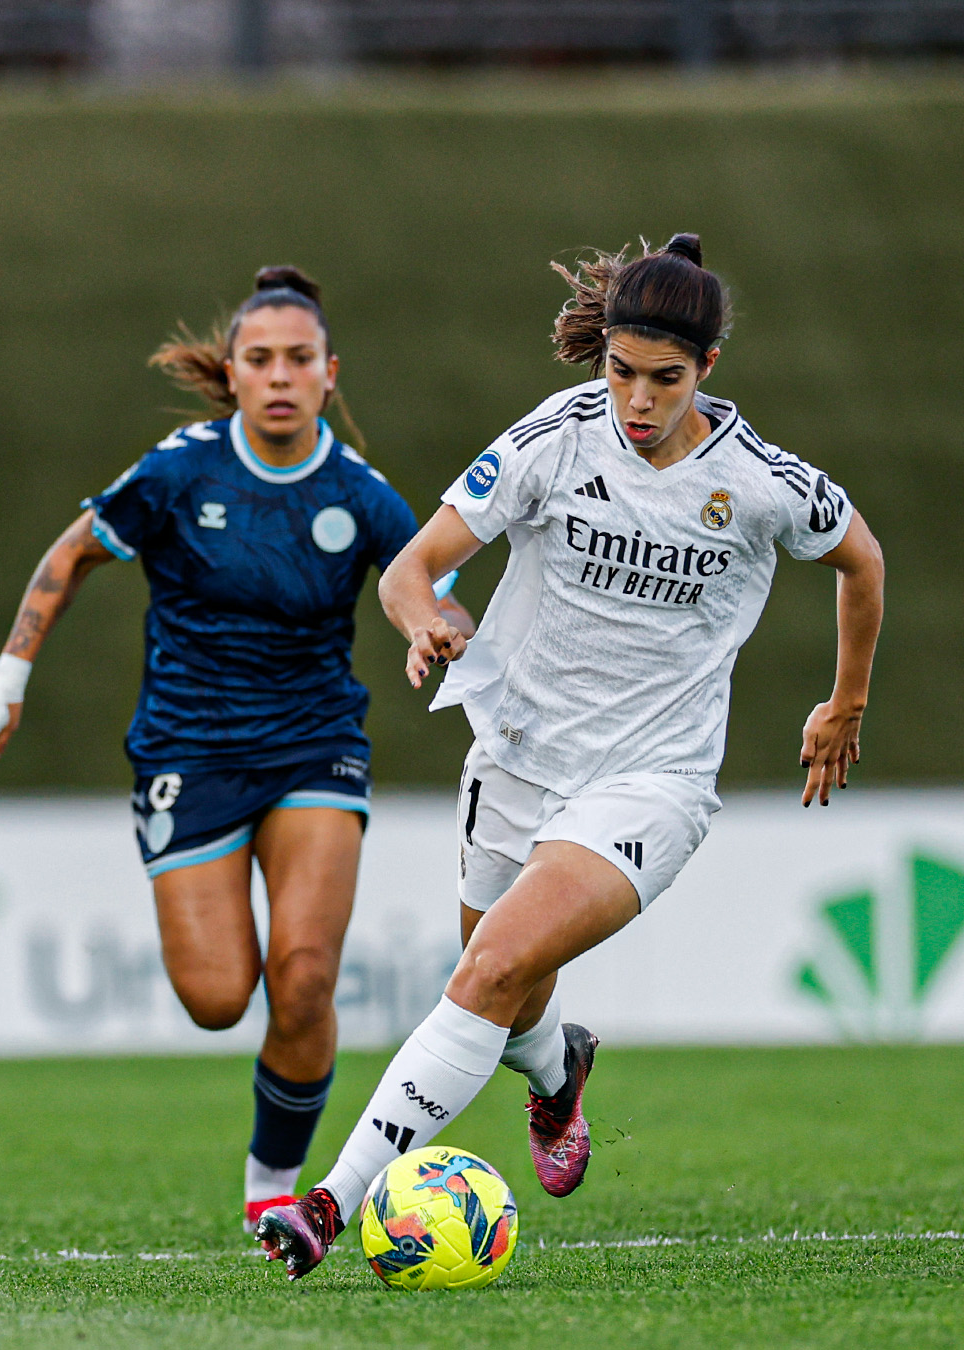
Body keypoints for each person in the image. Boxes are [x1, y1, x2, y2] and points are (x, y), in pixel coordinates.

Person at [255, 233, 885, 1277]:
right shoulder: (555, 439)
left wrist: (845, 702)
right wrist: (424, 621)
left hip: (653, 780)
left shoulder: (763, 482)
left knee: (491, 965)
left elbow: (859, 558)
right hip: (517, 755)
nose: (637, 400)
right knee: (505, 996)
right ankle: (560, 1072)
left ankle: (328, 1200)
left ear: (708, 373)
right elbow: (413, 569)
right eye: (620, 371)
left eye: (665, 379)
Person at [0, 265, 472, 1232]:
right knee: (213, 998)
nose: (280, 375)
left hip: (314, 742)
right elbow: (72, 552)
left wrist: (439, 630)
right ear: (232, 373)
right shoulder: (178, 470)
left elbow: (423, 584)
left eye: (299, 359)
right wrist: (10, 677)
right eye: (259, 359)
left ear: (330, 374)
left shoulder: (361, 496)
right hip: (187, 751)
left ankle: (273, 1185)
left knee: (308, 975)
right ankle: (272, 1144)